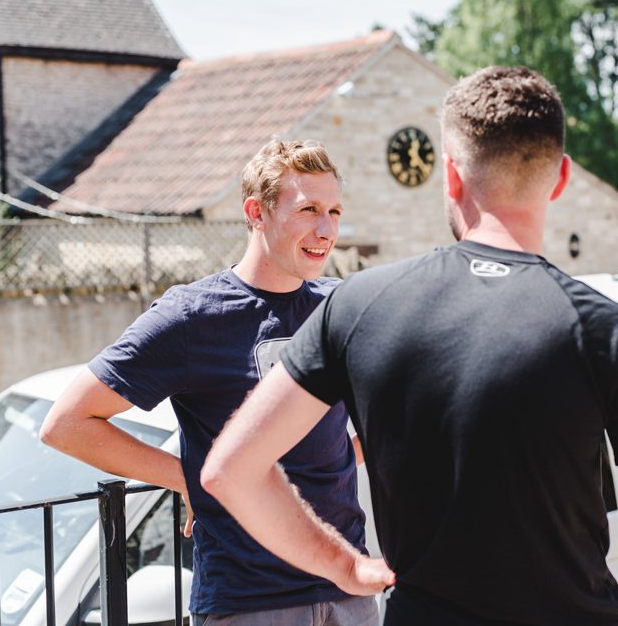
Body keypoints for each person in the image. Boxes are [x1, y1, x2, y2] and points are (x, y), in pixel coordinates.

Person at [200, 66, 618, 625]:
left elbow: (229, 469)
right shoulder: (604, 332)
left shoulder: (360, 303)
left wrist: (342, 566)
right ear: (560, 178)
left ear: (452, 177)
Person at [39, 140, 374, 625]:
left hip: (349, 590)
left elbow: (395, 413)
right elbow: (67, 423)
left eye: (335, 211)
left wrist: (346, 455)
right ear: (256, 212)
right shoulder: (193, 316)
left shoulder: (339, 306)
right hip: (249, 598)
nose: (326, 230)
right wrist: (189, 482)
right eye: (308, 210)